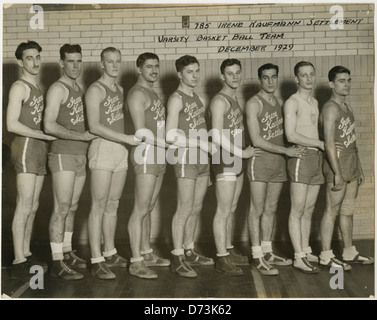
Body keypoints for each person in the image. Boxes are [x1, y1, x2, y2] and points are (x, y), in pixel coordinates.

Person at [85, 47, 140, 280]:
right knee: (98, 205)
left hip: (119, 150)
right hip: (102, 148)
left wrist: (127, 141)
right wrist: (126, 138)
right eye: (110, 62)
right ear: (102, 64)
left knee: (113, 204)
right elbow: (94, 126)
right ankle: (96, 259)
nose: (115, 66)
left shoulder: (119, 89)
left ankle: (109, 251)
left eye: (118, 61)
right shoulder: (95, 90)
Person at [245, 63, 305, 276]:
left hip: (278, 162)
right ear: (259, 79)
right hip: (260, 161)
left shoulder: (280, 103)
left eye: (273, 77)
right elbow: (256, 139)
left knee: (271, 208)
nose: (270, 81)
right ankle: (256, 255)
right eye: (265, 77)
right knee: (257, 209)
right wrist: (285, 150)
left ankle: (268, 250)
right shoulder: (254, 103)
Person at [44, 44, 95, 280]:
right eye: (70, 61)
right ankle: (56, 262)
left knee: (73, 207)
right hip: (63, 153)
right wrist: (81, 136)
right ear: (61, 63)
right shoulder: (58, 89)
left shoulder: (79, 88)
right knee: (61, 207)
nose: (75, 65)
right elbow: (49, 125)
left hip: (80, 154)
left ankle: (66, 251)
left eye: (78, 61)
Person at [6, 41, 56, 280]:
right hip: (25, 146)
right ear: (20, 62)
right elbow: (11, 124)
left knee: (33, 206)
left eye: (37, 57)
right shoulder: (19, 87)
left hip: (39, 148)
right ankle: (18, 260)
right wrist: (42, 135)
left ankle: (25, 252)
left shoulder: (39, 86)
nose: (35, 62)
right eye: (29, 58)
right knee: (24, 205)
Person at [165, 55, 216, 278]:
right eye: (189, 72)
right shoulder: (176, 99)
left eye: (197, 71)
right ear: (179, 74)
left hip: (202, 160)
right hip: (185, 157)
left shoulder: (198, 98)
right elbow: (169, 135)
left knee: (196, 208)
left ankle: (189, 249)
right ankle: (177, 256)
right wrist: (198, 143)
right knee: (184, 208)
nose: (195, 75)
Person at [319, 66, 374, 269]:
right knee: (331, 210)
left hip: (351, 164)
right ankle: (326, 255)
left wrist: (358, 167)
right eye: (342, 81)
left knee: (348, 210)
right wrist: (337, 173)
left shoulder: (346, 107)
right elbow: (329, 143)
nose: (347, 84)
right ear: (332, 84)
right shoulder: (330, 108)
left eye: (348, 80)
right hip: (337, 166)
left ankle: (349, 251)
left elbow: (352, 142)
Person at [210, 59, 259, 275]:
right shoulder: (219, 101)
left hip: (236, 157)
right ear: (222, 76)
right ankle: (221, 258)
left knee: (231, 208)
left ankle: (228, 250)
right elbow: (216, 134)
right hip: (226, 157)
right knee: (223, 210)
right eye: (230, 74)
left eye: (238, 72)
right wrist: (242, 153)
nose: (235, 77)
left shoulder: (234, 97)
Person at [127, 52, 170, 279]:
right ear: (139, 69)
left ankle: (146, 252)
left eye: (156, 66)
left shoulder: (153, 92)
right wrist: (167, 144)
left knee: (150, 206)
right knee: (140, 208)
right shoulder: (136, 93)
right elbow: (141, 132)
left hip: (159, 154)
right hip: (145, 154)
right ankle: (135, 262)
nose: (153, 70)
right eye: (149, 67)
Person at [284, 61, 324, 274]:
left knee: (308, 209)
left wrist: (320, 147)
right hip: (301, 156)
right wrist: (318, 143)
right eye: (304, 75)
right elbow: (290, 135)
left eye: (311, 74)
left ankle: (306, 249)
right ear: (297, 79)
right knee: (297, 209)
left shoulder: (315, 102)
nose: (308, 78)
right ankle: (298, 256)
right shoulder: (292, 102)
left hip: (315, 158)